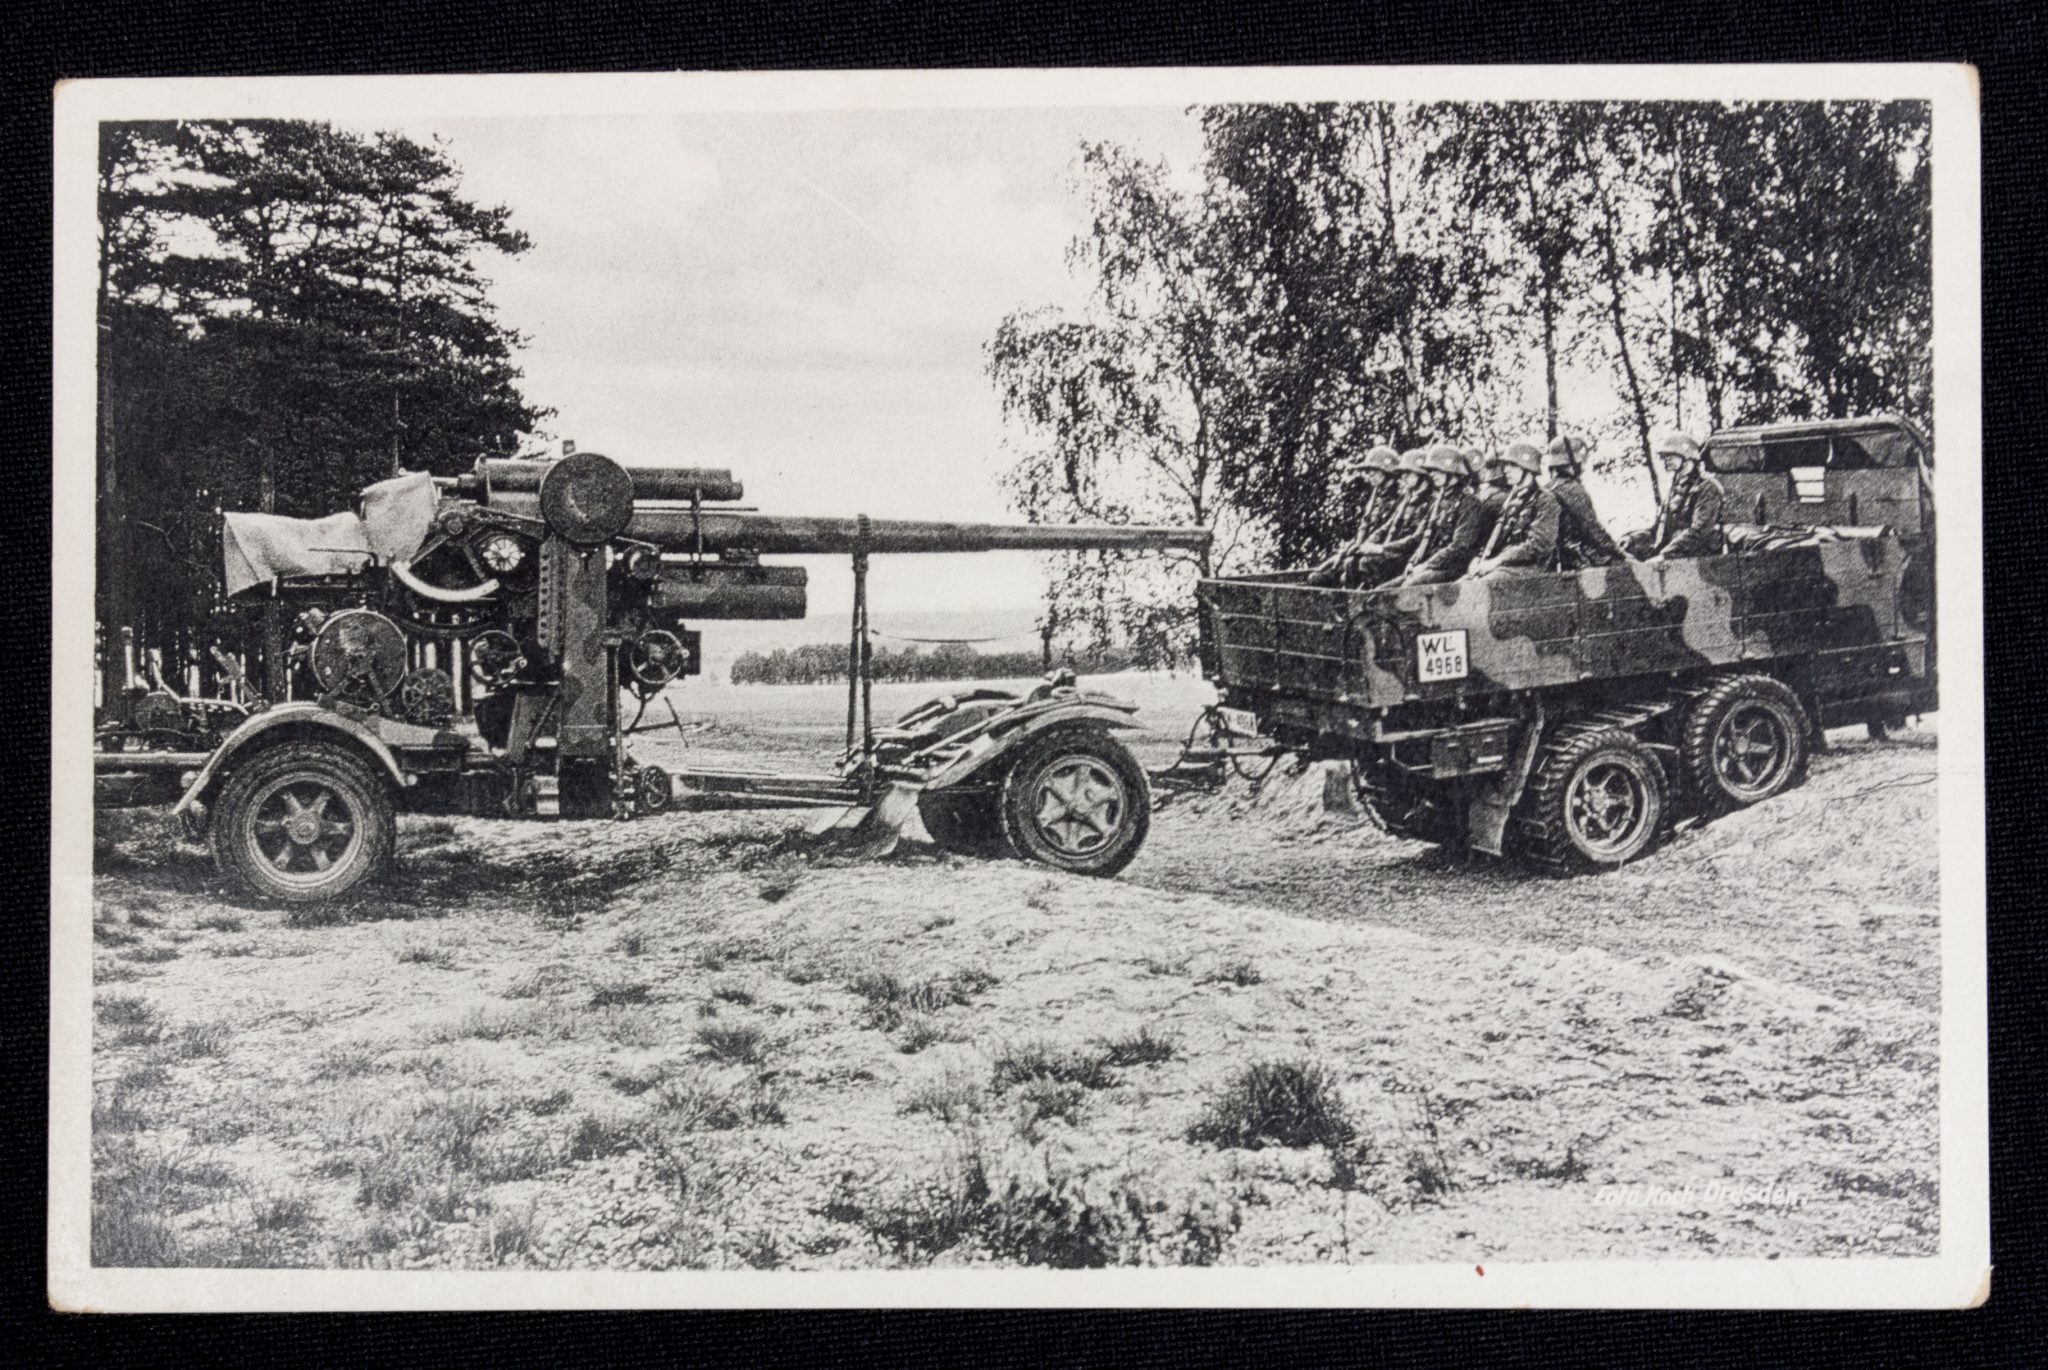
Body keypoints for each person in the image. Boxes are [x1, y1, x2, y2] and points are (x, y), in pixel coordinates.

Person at [1384, 444, 1489, 587]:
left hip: (1453, 568)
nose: (1432, 474)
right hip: (1432, 566)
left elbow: (1459, 548)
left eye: (1437, 470)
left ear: (1452, 472)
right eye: (1431, 470)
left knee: (1408, 588)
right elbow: (1421, 537)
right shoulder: (1438, 503)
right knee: (1384, 590)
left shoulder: (1470, 503)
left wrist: (1427, 565)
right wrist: (1412, 562)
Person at [1625, 429, 1726, 560]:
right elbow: (1659, 530)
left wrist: (1664, 555)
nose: (1666, 460)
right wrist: (1632, 539)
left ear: (1686, 456)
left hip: (1699, 560)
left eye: (1671, 456)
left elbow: (1699, 533)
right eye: (1664, 457)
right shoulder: (1675, 489)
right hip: (1676, 557)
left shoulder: (1707, 488)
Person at [1308, 445, 1401, 586]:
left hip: (1380, 556)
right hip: (1363, 549)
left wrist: (1364, 548)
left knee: (1348, 572)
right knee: (1318, 576)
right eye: (1369, 473)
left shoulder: (1399, 501)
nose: (1370, 477)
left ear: (1386, 473)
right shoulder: (1376, 498)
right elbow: (1365, 528)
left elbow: (1389, 535)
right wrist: (1352, 547)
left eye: (1374, 472)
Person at [1466, 440, 1560, 578]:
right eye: (1505, 465)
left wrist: (1498, 560)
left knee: (1480, 588)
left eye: (1512, 465)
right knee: (1461, 584)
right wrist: (1478, 558)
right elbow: (1495, 536)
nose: (1505, 469)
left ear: (1527, 468)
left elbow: (1539, 545)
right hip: (1507, 567)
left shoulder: (1545, 499)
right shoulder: (1511, 499)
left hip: (1531, 569)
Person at [1542, 435, 1624, 570]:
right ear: (1573, 463)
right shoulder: (1572, 488)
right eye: (1581, 462)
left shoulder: (1547, 487)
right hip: (1576, 560)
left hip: (1557, 560)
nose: (1583, 467)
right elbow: (1593, 530)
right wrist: (1622, 555)